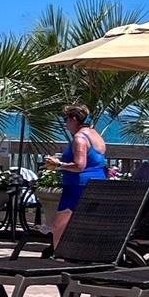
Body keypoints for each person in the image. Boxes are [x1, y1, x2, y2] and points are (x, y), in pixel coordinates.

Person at [43, 104, 110, 245]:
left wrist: (58, 164)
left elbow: (79, 166)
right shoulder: (95, 135)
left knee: (60, 225)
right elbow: (94, 160)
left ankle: (58, 254)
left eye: (66, 119)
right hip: (98, 185)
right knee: (85, 226)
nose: (66, 124)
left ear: (73, 119)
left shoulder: (80, 138)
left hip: (78, 187)